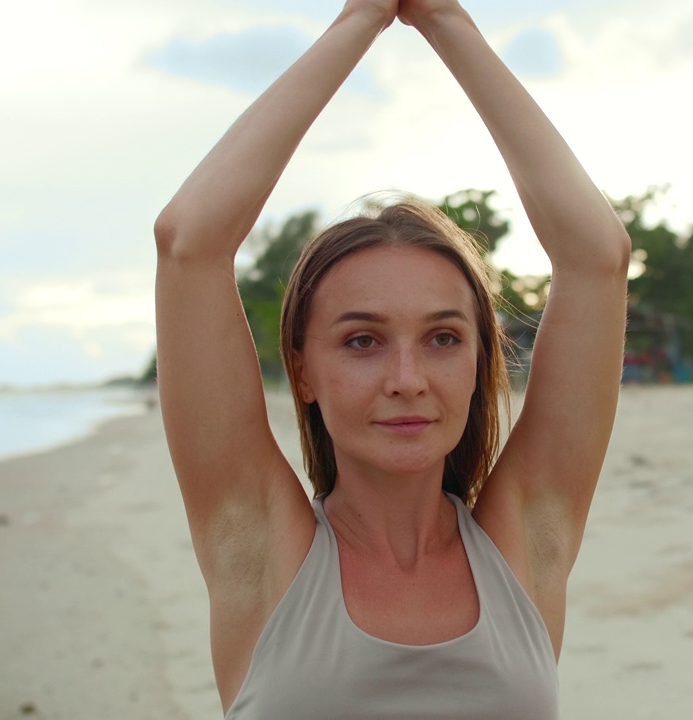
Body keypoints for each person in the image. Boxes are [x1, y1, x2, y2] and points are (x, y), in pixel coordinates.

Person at [152, 1, 630, 717]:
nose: (407, 381)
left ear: (477, 364)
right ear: (304, 370)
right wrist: (363, 17)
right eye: (362, 341)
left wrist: (445, 19)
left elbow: (597, 257)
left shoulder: (525, 542)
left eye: (443, 338)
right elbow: (189, 241)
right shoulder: (258, 545)